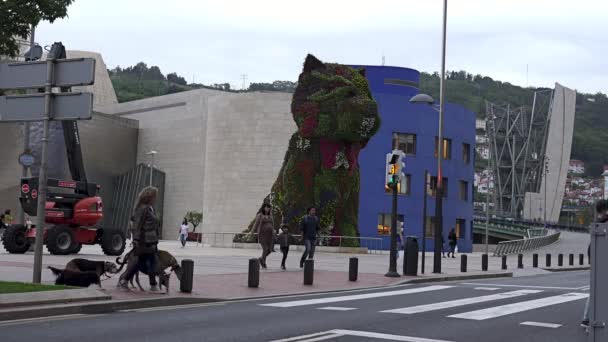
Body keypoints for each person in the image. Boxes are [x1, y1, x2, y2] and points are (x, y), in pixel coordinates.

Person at [118, 186, 161, 292]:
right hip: (144, 241)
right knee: (148, 262)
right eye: (155, 196)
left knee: (147, 262)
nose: (156, 199)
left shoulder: (151, 208)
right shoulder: (142, 208)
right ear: (149, 197)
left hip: (152, 241)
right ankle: (153, 285)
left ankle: (151, 285)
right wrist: (136, 240)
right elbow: (137, 225)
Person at [582, 199, 608, 328]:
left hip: (596, 259)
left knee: (596, 290)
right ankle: (587, 319)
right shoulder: (603, 223)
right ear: (604, 210)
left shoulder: (597, 223)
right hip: (600, 260)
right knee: (596, 290)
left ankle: (587, 318)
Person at [253, 203, 275, 269]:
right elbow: (256, 224)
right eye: (266, 207)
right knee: (265, 249)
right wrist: (251, 232)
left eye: (269, 208)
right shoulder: (260, 215)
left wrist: (273, 231)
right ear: (263, 208)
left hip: (270, 235)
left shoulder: (271, 216)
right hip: (262, 235)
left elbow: (272, 224)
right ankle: (263, 263)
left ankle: (261, 259)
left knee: (270, 250)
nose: (267, 209)